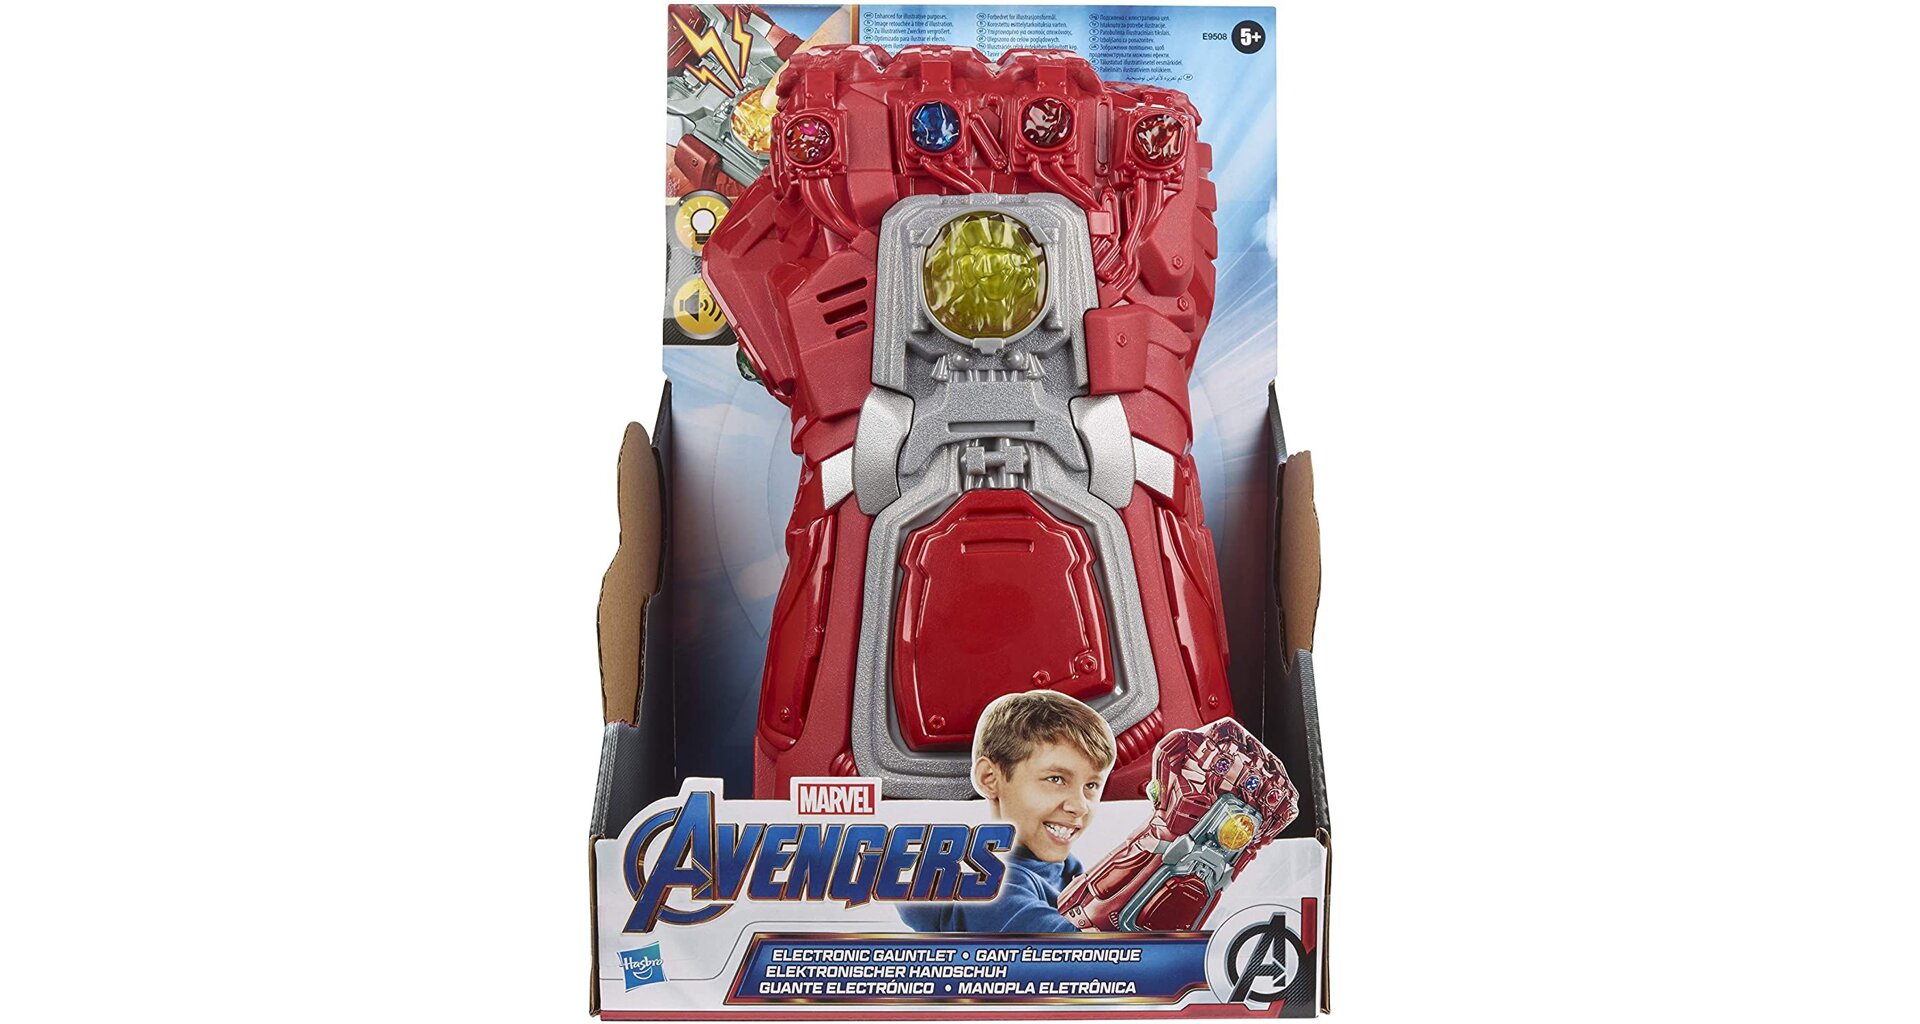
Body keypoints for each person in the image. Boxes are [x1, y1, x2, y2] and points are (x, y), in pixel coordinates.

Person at [898, 691, 1114, 933]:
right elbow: (1082, 949)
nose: (1080, 806)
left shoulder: (1064, 868)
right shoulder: (990, 886)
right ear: (990, 778)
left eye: (1091, 785)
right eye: (1056, 779)